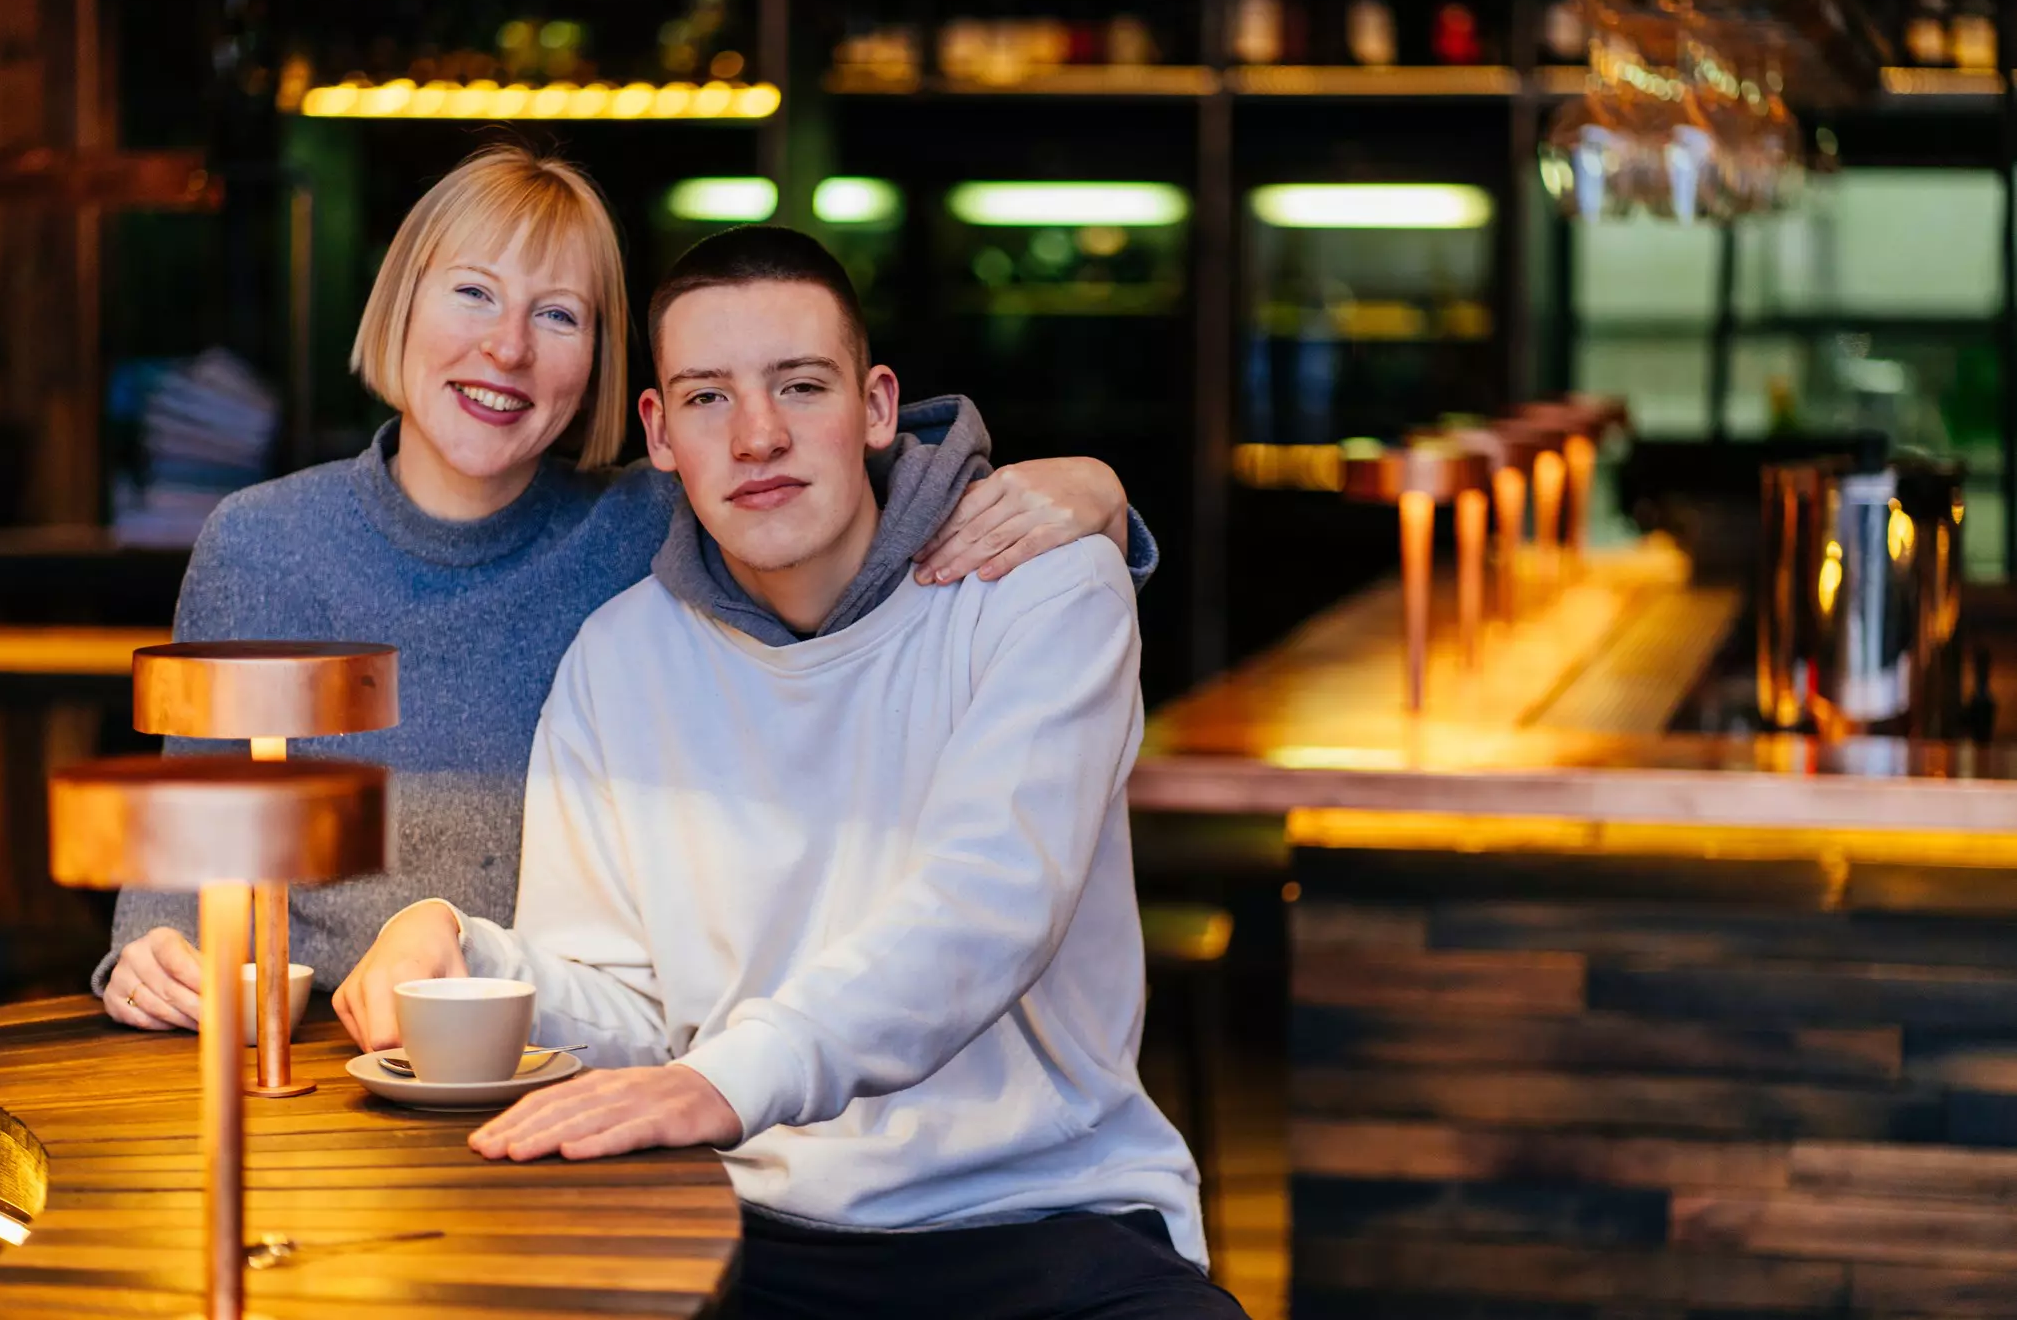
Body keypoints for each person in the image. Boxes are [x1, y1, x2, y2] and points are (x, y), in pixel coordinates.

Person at [338, 226, 1244, 1320]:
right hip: (744, 1226)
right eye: (708, 397)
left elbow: (986, 907)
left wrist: (722, 1079)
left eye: (799, 386)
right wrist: (461, 949)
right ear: (659, 431)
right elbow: (623, 1000)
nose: (758, 434)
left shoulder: (1038, 590)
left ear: (873, 406)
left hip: (1043, 1220)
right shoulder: (621, 656)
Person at [95, 145, 1155, 1030]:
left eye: (559, 316)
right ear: (400, 304)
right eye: (472, 292)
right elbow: (185, 877)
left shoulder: (646, 520)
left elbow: (829, 467)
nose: (505, 347)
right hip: (329, 1060)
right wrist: (149, 955)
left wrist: (1090, 491)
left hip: (573, 1055)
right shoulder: (263, 543)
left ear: (604, 368)